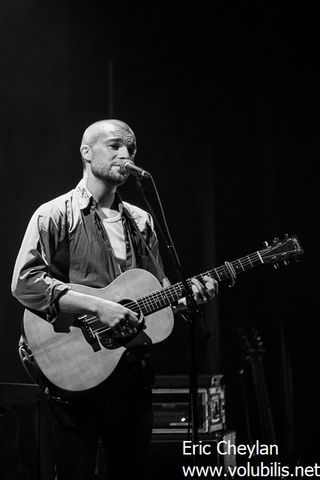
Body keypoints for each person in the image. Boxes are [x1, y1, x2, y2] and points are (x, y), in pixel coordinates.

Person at [11, 119, 218, 480]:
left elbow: (156, 287)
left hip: (130, 371)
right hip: (74, 368)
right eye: (115, 146)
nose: (126, 154)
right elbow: (25, 282)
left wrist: (185, 298)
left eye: (132, 149)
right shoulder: (55, 213)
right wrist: (98, 306)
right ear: (86, 153)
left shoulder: (141, 221)